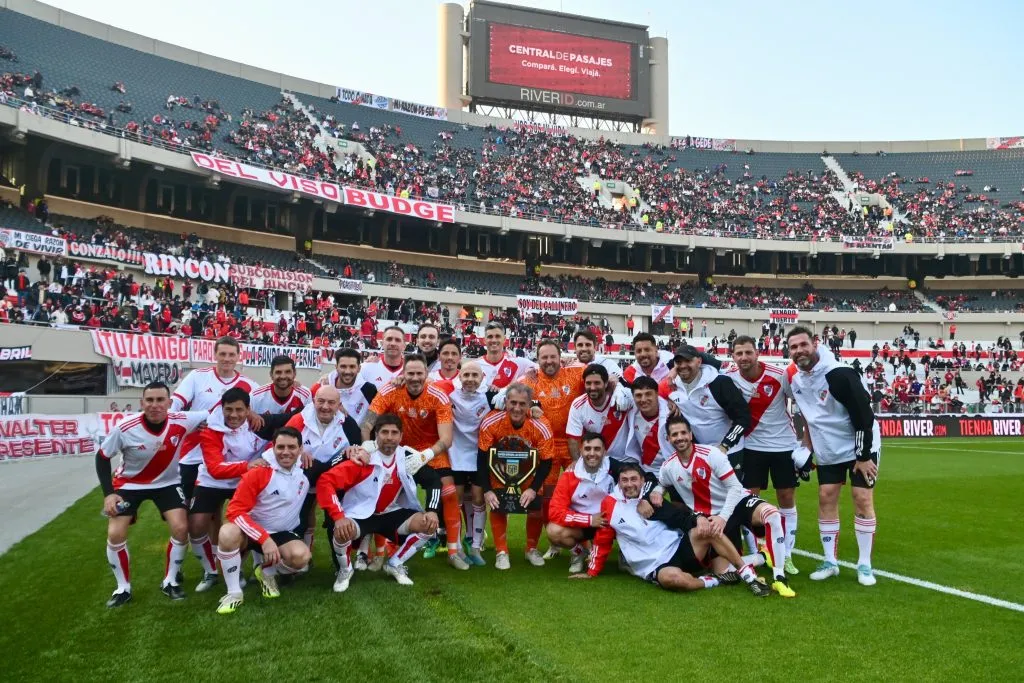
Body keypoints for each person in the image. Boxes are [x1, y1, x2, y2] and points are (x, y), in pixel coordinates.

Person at [95, 381, 208, 607]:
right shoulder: (125, 427)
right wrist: (108, 494)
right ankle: (122, 588)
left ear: (169, 403)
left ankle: (170, 581)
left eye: (160, 400)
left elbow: (216, 412)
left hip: (168, 483)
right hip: (129, 484)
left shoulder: (182, 420)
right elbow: (102, 457)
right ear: (142, 402)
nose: (155, 405)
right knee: (116, 533)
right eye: (150, 400)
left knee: (180, 527)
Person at [785, 326, 881, 586]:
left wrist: (862, 455)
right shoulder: (796, 380)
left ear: (815, 343)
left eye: (803, 345)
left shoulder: (839, 374)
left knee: (861, 498)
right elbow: (809, 418)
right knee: (826, 497)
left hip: (859, 445)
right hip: (828, 448)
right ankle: (830, 562)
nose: (799, 351)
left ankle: (865, 565)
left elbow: (863, 414)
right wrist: (805, 448)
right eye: (793, 347)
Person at [575, 464, 761, 595]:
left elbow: (678, 516)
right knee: (673, 580)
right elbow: (602, 539)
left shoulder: (654, 498)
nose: (629, 484)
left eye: (634, 479)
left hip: (679, 548)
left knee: (709, 530)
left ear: (642, 481)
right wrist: (592, 572)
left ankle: (746, 572)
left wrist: (698, 519)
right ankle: (713, 580)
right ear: (619, 483)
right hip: (657, 566)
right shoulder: (611, 504)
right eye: (624, 480)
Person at [189, 387, 300, 593]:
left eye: (239, 410)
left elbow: (288, 423)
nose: (233, 415)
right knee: (196, 525)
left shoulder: (257, 423)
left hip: (244, 480)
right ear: (221, 409)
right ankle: (210, 570)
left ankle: (249, 566)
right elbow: (215, 469)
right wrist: (247, 466)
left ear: (248, 409)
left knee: (245, 522)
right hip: (212, 481)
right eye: (228, 409)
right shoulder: (209, 429)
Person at [317, 413, 442, 591]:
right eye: (384, 432)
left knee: (428, 525)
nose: (389, 437)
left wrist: (432, 510)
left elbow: (434, 480)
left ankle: (395, 563)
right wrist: (338, 517)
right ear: (376, 434)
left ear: (401, 435)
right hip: (362, 513)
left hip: (390, 512)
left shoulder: (407, 457)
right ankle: (345, 570)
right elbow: (326, 481)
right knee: (340, 531)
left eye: (394, 433)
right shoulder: (364, 456)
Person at [362, 355, 463, 569]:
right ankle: (381, 552)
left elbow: (446, 438)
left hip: (431, 451)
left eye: (419, 373)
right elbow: (367, 424)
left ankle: (454, 551)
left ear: (427, 375)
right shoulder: (390, 390)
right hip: (397, 449)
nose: (415, 378)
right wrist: (367, 447)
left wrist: (425, 455)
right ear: (403, 374)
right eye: (411, 373)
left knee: (449, 492)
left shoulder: (438, 395)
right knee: (383, 495)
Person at [724, 336, 807, 575]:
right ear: (733, 356)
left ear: (757, 353)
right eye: (738, 354)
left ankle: (787, 553)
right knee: (750, 500)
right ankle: (758, 552)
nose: (743, 358)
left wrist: (805, 446)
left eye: (748, 352)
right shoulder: (728, 376)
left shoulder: (779, 375)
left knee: (786, 497)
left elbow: (802, 403)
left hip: (783, 445)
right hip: (750, 447)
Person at [215, 427, 312, 614]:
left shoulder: (306, 469)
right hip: (251, 530)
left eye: (292, 447)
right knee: (227, 533)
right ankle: (234, 593)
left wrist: (361, 449)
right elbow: (234, 511)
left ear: (300, 450)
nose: (285, 452)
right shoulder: (259, 471)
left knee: (302, 558)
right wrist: (264, 539)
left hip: (281, 532)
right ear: (273, 447)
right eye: (280, 447)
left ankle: (266, 571)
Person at [517, 340, 585, 563]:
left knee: (580, 496)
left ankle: (583, 545)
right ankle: (537, 546)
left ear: (560, 357)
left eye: (552, 357)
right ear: (537, 359)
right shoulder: (530, 380)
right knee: (542, 499)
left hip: (575, 445)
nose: (548, 361)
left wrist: (615, 381)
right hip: (545, 448)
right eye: (543, 357)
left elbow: (602, 373)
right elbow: (508, 395)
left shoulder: (576, 374)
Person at [476, 382, 555, 570]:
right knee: (498, 506)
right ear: (505, 402)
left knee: (535, 506)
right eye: (513, 402)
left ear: (529, 405)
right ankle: (501, 551)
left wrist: (533, 489)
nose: (517, 408)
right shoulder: (491, 421)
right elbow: (481, 458)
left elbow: (546, 461)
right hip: (500, 470)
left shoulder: (540, 424)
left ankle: (531, 549)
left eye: (522, 404)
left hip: (529, 470)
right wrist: (487, 490)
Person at [171, 337, 256, 504]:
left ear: (238, 356)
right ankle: (182, 532)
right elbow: (175, 404)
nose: (227, 358)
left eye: (231, 354)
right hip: (193, 452)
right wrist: (189, 424)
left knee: (212, 504)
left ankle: (213, 532)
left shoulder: (250, 385)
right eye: (222, 354)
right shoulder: (197, 376)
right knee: (185, 505)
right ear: (215, 355)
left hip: (225, 455)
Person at [284, 385, 362, 551]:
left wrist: (353, 450)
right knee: (299, 520)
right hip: (303, 478)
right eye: (321, 401)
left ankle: (340, 565)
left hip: (333, 481)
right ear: (313, 401)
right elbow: (279, 445)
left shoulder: (348, 424)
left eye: (331, 402)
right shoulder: (299, 420)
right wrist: (297, 451)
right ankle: (300, 560)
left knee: (337, 523)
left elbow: (359, 451)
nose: (325, 406)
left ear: (339, 404)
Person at [434, 357, 493, 566]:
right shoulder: (448, 396)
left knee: (478, 498)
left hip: (479, 455)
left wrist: (534, 406)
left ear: (482, 377)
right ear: (459, 377)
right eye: (466, 375)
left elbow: (517, 395)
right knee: (454, 500)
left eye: (474, 375)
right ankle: (456, 546)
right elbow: (426, 386)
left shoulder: (490, 396)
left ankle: (476, 547)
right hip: (456, 454)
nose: (470, 379)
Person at [660, 344, 750, 476]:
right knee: (703, 496)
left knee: (732, 494)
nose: (683, 365)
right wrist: (669, 400)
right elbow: (656, 390)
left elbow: (743, 417)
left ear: (699, 361)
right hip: (700, 453)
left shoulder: (720, 383)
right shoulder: (672, 386)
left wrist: (725, 445)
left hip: (729, 451)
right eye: (679, 362)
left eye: (688, 361)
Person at [546, 432, 615, 574]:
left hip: (612, 522)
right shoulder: (569, 475)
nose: (592, 453)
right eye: (588, 448)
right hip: (584, 524)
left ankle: (627, 556)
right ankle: (579, 553)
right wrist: (589, 520)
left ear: (604, 451)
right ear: (580, 450)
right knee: (553, 531)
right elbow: (555, 511)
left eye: (597, 449)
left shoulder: (615, 470)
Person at [565, 363, 632, 463]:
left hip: (625, 461)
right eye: (588, 383)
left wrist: (618, 385)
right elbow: (573, 439)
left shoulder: (621, 398)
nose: (592, 387)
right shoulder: (578, 405)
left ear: (605, 383)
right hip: (598, 462)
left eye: (597, 383)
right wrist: (577, 462)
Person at [622, 376, 674, 478]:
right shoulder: (632, 411)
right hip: (644, 471)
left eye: (648, 394)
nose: (643, 399)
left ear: (657, 394)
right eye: (638, 395)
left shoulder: (672, 413)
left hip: (670, 471)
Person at [312, 347, 378, 425]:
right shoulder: (320, 387)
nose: (347, 371)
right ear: (336, 367)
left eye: (352, 367)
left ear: (359, 368)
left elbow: (376, 417)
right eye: (343, 366)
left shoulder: (369, 390)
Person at [479, 322, 536, 390]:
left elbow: (542, 369)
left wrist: (532, 371)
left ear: (504, 339)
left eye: (498, 336)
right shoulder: (475, 365)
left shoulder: (518, 362)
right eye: (490, 337)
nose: (494, 340)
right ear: (484, 340)